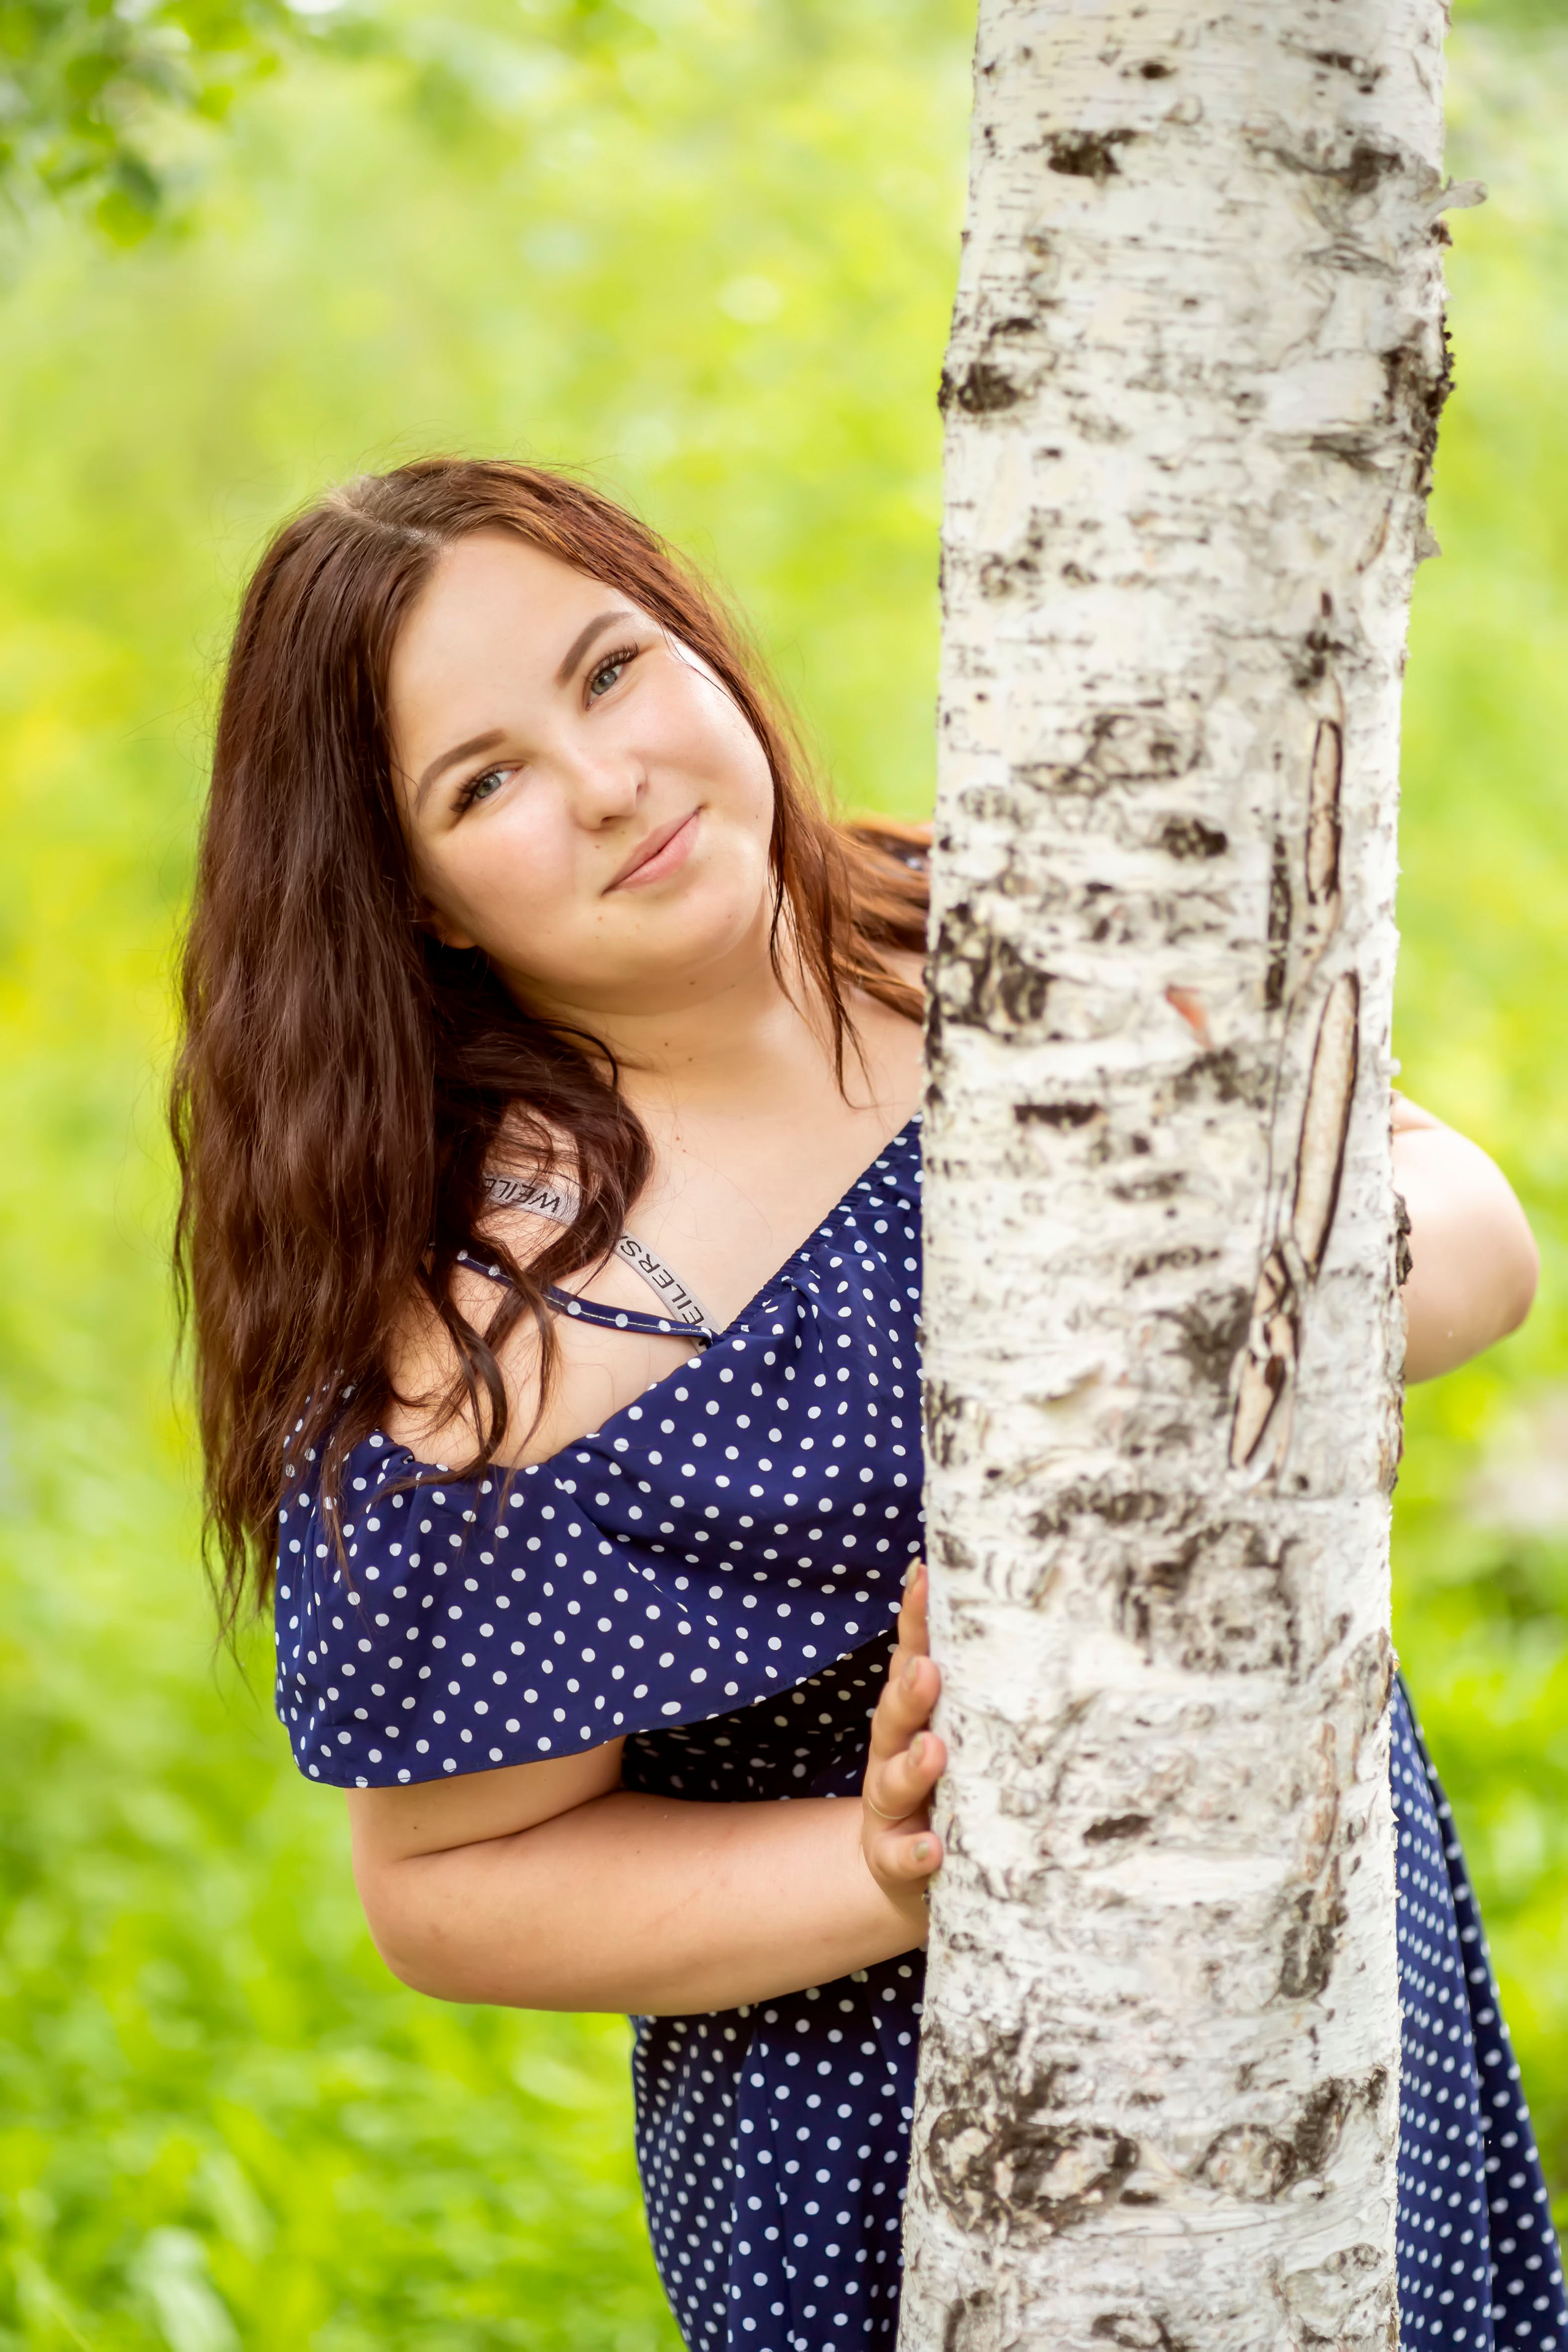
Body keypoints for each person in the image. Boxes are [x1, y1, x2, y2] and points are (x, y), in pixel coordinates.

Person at [173, 458, 1564, 2352]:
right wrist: (883, 1862)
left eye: (610, 671)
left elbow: (1478, 1239)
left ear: (701, 646)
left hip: (1302, 1956)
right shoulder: (481, 1337)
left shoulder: (994, 924)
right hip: (907, 2138)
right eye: (480, 783)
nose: (605, 782)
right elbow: (451, 1895)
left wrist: (1219, 1319)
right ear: (411, 899)